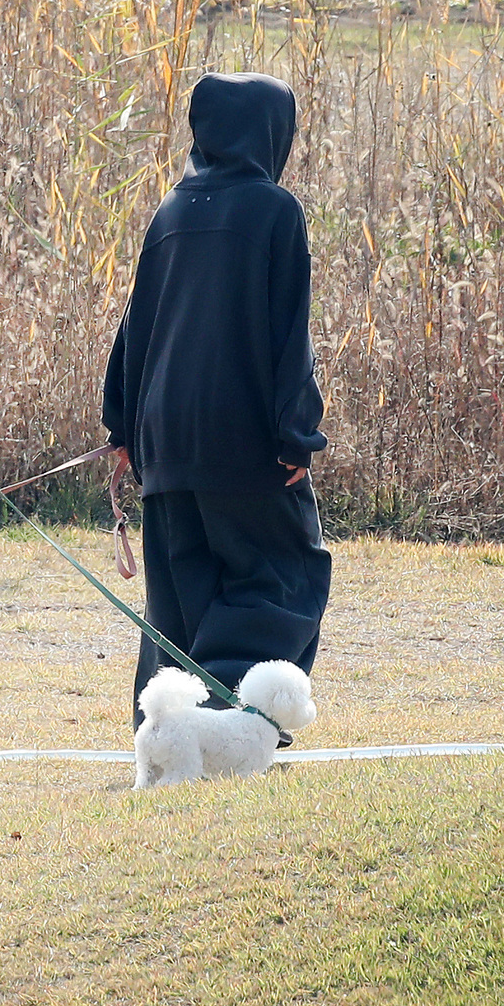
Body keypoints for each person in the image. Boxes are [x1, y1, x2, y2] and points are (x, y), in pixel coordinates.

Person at [102, 72, 330, 734]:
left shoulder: (170, 211)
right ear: (271, 133)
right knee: (282, 575)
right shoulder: (274, 210)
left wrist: (122, 425)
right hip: (245, 441)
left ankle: (168, 733)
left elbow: (135, 327)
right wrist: (297, 437)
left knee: (178, 602)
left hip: (164, 441)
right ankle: (226, 724)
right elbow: (288, 334)